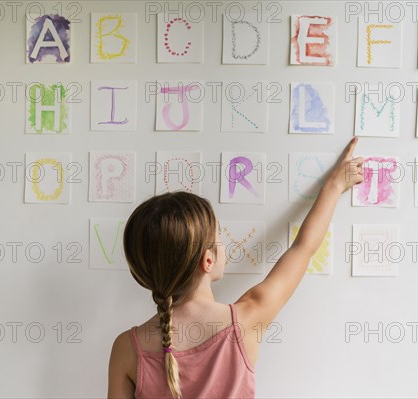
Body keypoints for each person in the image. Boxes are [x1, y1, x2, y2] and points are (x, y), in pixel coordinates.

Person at [108, 137, 364, 398]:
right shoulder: (247, 319)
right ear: (207, 260)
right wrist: (334, 186)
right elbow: (303, 248)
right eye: (220, 237)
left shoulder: (126, 350)